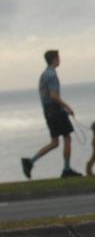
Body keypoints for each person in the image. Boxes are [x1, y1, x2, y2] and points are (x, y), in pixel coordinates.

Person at [21, 50, 82, 179]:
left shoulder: (44, 74)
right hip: (55, 111)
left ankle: (30, 161)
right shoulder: (52, 75)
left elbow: (46, 96)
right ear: (54, 59)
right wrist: (67, 107)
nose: (60, 60)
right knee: (67, 138)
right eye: (58, 58)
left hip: (48, 111)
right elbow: (53, 96)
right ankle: (66, 169)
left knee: (55, 142)